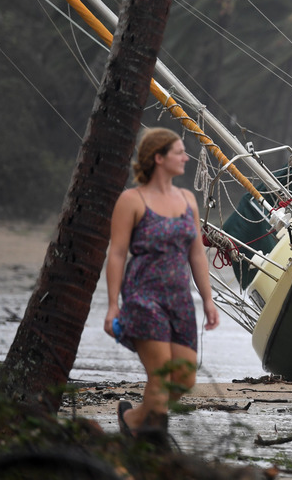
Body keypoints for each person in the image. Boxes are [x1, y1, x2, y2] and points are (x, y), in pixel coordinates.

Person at [104, 127, 220, 441]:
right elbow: (116, 254)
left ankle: (133, 418)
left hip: (180, 299)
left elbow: (197, 253)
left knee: (183, 377)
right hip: (143, 297)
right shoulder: (132, 200)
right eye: (179, 152)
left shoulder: (187, 199)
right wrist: (113, 305)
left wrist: (208, 300)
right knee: (161, 374)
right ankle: (153, 447)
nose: (186, 157)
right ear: (158, 158)